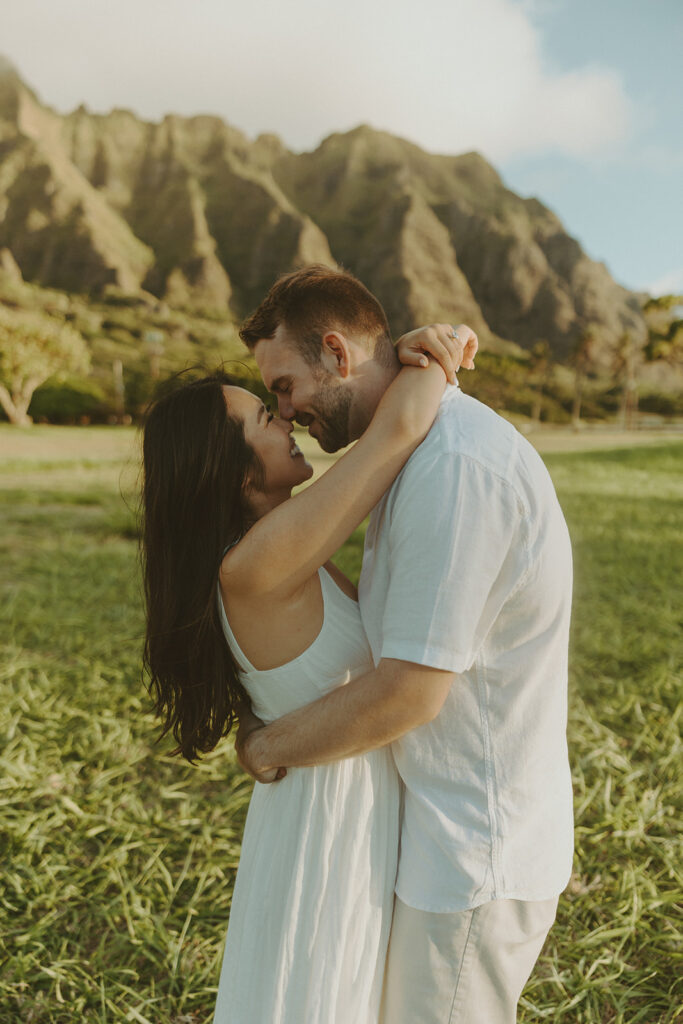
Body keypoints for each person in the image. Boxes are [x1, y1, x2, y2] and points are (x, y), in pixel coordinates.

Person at [236, 264, 575, 1024]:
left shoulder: (452, 469)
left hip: (471, 857)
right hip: (432, 833)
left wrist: (263, 748)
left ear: (336, 351)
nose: (285, 412)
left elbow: (408, 693)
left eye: (285, 386)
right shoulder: (409, 451)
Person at [140, 317, 472, 1023]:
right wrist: (429, 349)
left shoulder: (266, 548)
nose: (286, 415)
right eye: (266, 415)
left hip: (328, 801)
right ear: (231, 467)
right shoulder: (261, 559)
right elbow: (395, 432)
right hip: (329, 821)